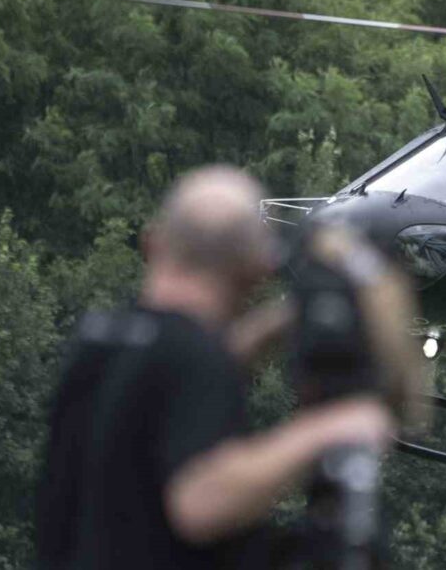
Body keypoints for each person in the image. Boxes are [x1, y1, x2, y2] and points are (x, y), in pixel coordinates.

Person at [35, 166, 397, 569]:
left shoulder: (101, 338)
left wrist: (275, 325)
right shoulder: (192, 357)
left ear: (153, 242)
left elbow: (161, 385)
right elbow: (199, 502)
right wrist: (332, 426)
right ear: (256, 271)